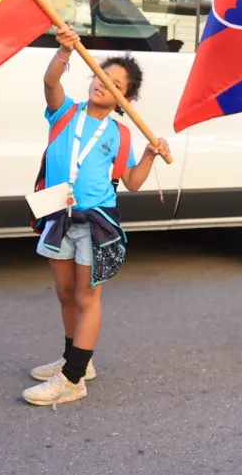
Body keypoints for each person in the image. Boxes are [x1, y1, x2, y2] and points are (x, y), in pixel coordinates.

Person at [23, 32, 170, 406]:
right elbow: (50, 82)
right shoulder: (65, 112)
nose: (105, 84)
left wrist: (149, 156)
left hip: (96, 223)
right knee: (65, 293)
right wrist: (64, 51)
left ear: (126, 100)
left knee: (87, 297)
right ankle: (76, 360)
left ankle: (72, 380)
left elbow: (131, 182)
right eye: (102, 76)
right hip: (58, 214)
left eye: (117, 84)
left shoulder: (120, 134)